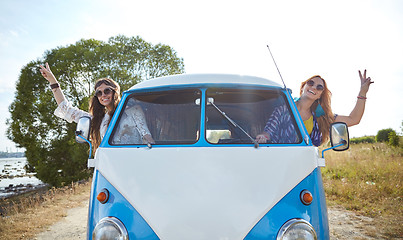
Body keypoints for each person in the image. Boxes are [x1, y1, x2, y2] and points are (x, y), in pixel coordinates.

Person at [39, 63, 154, 152]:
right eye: (99, 93)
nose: (103, 95)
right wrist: (53, 81)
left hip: (134, 159)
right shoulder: (98, 119)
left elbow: (146, 136)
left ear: (115, 92)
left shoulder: (133, 111)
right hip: (110, 165)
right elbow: (66, 108)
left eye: (107, 91)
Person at [256, 70, 373, 146]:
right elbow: (269, 131)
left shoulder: (321, 117)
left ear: (320, 95)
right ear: (303, 87)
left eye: (319, 87)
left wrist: (362, 93)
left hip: (306, 163)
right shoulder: (284, 109)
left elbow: (354, 119)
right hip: (281, 156)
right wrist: (263, 136)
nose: (314, 87)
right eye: (310, 83)